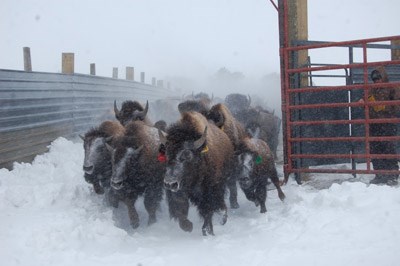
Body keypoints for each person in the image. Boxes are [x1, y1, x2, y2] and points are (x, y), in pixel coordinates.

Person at [366, 66, 399, 186]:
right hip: (374, 123)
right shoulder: (371, 90)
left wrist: (386, 107)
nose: (376, 81)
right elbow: (365, 101)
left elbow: (397, 105)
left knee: (387, 148)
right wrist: (362, 102)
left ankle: (392, 175)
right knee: (376, 148)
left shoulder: (392, 88)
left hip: (387, 123)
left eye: (378, 78)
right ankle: (379, 174)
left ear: (383, 77)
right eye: (374, 79)